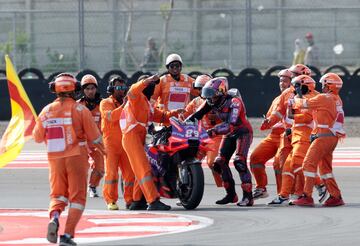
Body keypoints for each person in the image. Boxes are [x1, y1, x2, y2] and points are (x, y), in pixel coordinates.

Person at [33, 73, 104, 245]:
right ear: (75, 89)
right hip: (77, 158)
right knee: (77, 199)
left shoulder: (46, 111)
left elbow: (36, 137)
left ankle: (55, 217)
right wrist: (107, 153)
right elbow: (95, 138)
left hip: (55, 160)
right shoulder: (80, 110)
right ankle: (67, 235)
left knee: (58, 196)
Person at [186, 77, 254, 206]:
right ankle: (231, 195)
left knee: (239, 161)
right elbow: (197, 114)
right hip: (229, 133)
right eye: (207, 95)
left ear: (221, 92)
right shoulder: (210, 102)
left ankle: (248, 197)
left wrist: (211, 131)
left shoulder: (234, 102)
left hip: (243, 132)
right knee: (219, 162)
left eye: (212, 95)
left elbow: (231, 124)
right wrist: (182, 124)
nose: (209, 99)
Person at [120, 74, 184, 210]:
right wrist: (145, 81)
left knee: (140, 170)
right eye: (150, 85)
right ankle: (153, 201)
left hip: (139, 136)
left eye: (153, 85)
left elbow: (161, 116)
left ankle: (137, 201)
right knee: (145, 169)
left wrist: (175, 113)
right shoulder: (136, 97)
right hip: (131, 136)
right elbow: (132, 90)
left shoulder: (147, 104)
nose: (152, 87)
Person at [293, 73, 345, 207]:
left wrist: (296, 97)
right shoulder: (336, 98)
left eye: (324, 85)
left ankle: (307, 196)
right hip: (332, 137)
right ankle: (335, 196)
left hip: (323, 137)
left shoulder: (324, 97)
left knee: (308, 164)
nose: (322, 87)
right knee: (325, 170)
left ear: (329, 86)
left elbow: (305, 104)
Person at [268, 75, 319, 205]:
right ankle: (284, 195)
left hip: (306, 136)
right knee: (287, 166)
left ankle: (320, 185)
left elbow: (306, 117)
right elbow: (291, 115)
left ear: (305, 85)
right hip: (296, 135)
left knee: (299, 164)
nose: (294, 88)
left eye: (296, 85)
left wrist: (297, 105)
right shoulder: (296, 98)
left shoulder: (314, 98)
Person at [100, 76, 143, 210]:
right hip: (110, 145)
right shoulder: (105, 103)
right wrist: (124, 106)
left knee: (129, 174)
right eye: (118, 88)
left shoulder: (129, 103)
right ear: (111, 89)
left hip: (125, 143)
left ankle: (129, 199)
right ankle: (111, 200)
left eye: (124, 88)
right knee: (111, 174)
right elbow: (111, 117)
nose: (121, 90)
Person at [250, 69, 292, 199]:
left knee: (279, 163)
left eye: (285, 81)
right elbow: (269, 119)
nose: (282, 84)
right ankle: (261, 188)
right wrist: (266, 123)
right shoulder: (276, 100)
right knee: (255, 157)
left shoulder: (294, 97)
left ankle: (282, 194)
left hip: (287, 135)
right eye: (280, 81)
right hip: (274, 135)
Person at [180, 74, 223, 187]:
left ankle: (223, 185)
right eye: (198, 88)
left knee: (212, 162)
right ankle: (189, 189)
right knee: (187, 161)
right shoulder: (195, 102)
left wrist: (218, 117)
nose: (200, 91)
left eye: (202, 88)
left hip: (215, 136)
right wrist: (177, 118)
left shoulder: (217, 100)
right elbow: (184, 114)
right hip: (199, 137)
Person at [77, 74, 104, 198]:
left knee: (100, 167)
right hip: (80, 142)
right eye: (87, 88)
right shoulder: (77, 105)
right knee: (79, 167)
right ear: (83, 90)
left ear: (96, 89)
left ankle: (92, 186)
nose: (90, 91)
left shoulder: (103, 104)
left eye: (92, 88)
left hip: (96, 142)